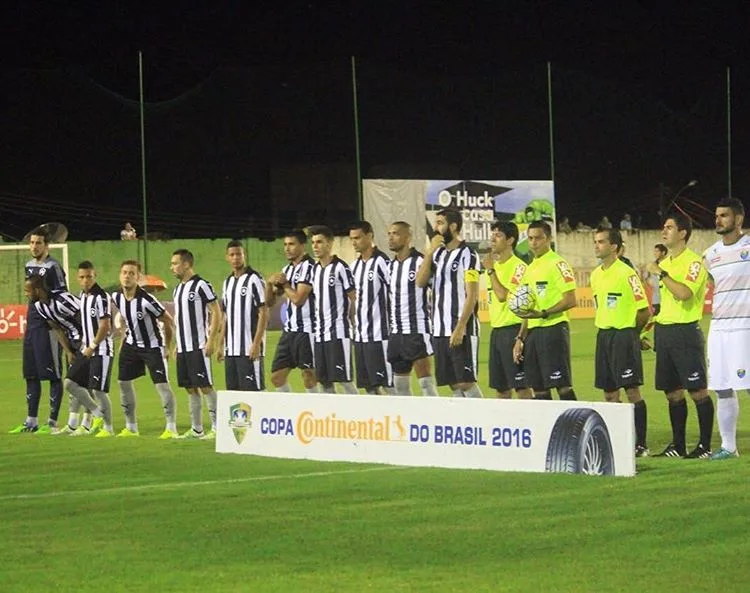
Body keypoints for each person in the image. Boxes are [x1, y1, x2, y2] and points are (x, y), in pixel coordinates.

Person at [647, 213, 713, 458]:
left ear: (683, 233)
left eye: (669, 227)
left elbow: (684, 293)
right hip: (665, 332)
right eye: (663, 227)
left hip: (686, 332)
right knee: (672, 392)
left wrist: (661, 274)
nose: (664, 231)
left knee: (697, 391)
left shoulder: (694, 262)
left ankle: (705, 446)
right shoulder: (665, 263)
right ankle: (678, 445)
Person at [591, 228, 651, 456]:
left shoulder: (627, 274)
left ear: (614, 246)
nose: (596, 246)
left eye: (601, 242)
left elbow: (644, 311)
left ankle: (640, 444)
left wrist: (632, 335)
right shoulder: (596, 275)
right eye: (595, 242)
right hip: (603, 336)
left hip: (624, 336)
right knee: (609, 393)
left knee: (632, 390)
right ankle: (616, 441)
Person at [416, 208, 483, 398]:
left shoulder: (468, 254)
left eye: (440, 223)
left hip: (460, 328)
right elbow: (420, 282)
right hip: (439, 329)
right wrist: (429, 253)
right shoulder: (437, 255)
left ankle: (483, 420)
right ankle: (463, 424)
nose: (436, 228)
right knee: (453, 382)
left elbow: (472, 295)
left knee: (466, 381)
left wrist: (461, 327)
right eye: (436, 223)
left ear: (453, 226)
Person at [703, 198, 750, 460]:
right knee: (721, 386)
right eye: (717, 215)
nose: (718, 220)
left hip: (745, 326)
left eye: (724, 216)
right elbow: (714, 283)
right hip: (719, 329)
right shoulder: (711, 254)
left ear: (739, 219)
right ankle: (729, 447)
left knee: (748, 384)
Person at [9, 228, 68, 434]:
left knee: (53, 374)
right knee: (31, 374)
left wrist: (55, 319)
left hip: (49, 327)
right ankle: (31, 421)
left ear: (46, 246)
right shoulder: (29, 265)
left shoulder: (54, 267)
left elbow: (62, 296)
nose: (34, 246)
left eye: (38, 243)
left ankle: (51, 422)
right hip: (32, 325)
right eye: (32, 243)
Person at [111, 260, 178, 439]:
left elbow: (168, 320)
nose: (127, 276)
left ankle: (171, 428)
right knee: (122, 383)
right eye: (124, 272)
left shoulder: (147, 300)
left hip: (153, 346)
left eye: (132, 273)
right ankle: (131, 427)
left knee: (162, 385)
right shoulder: (117, 297)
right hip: (131, 345)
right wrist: (124, 339)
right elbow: (125, 320)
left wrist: (167, 346)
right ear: (120, 275)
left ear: (138, 277)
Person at [512, 221, 578, 401]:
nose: (533, 242)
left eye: (538, 238)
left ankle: (574, 426)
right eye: (531, 238)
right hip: (533, 333)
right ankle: (546, 428)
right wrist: (520, 338)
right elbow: (527, 310)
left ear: (548, 239)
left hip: (553, 329)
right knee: (539, 388)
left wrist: (544, 313)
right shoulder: (530, 267)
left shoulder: (558, 264)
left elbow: (571, 300)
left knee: (562, 386)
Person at [24, 275, 90, 435]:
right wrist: (67, 351)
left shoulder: (62, 299)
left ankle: (88, 423)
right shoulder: (40, 306)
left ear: (38, 290)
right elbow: (57, 328)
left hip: (86, 340)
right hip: (72, 341)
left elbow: (86, 315)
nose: (26, 294)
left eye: (28, 291)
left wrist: (88, 342)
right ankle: (73, 424)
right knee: (74, 382)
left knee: (85, 382)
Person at [170, 249, 222, 440]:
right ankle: (197, 428)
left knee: (205, 386)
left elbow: (216, 311)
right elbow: (180, 318)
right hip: (183, 347)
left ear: (186, 264)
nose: (172, 267)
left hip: (199, 345)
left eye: (175, 263)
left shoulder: (201, 285)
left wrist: (212, 339)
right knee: (190, 388)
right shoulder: (177, 289)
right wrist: (176, 343)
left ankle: (217, 427)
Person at [63, 261, 115, 437]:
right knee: (70, 383)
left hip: (101, 350)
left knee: (99, 391)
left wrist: (92, 346)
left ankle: (108, 428)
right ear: (78, 278)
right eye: (82, 277)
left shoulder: (101, 297)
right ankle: (96, 413)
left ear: (95, 276)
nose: (86, 280)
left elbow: (105, 326)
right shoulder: (82, 296)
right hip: (86, 349)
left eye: (89, 277)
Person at [386, 222, 439, 396]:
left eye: (395, 234)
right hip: (396, 333)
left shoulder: (420, 261)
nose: (391, 238)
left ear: (407, 238)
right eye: (389, 234)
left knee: (425, 383)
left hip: (416, 330)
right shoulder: (391, 266)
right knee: (399, 385)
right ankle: (407, 421)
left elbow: (435, 289)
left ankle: (434, 419)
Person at [483, 220, 532, 399]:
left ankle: (531, 424)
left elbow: (503, 295)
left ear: (510, 240)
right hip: (496, 332)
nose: (493, 239)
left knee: (521, 387)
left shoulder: (519, 268)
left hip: (513, 330)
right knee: (501, 388)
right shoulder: (494, 267)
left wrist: (490, 271)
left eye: (498, 235)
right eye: (492, 234)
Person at [266, 230, 318, 393]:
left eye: (292, 244)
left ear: (302, 246)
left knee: (309, 374)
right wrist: (268, 284)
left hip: (307, 330)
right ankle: (292, 412)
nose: (287, 248)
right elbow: (270, 302)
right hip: (289, 331)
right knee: (276, 377)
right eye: (285, 245)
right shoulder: (287, 269)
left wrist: (286, 284)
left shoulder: (309, 267)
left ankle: (315, 413)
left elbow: (298, 300)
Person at [308, 225, 358, 394]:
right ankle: (334, 418)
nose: (315, 246)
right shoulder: (315, 270)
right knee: (324, 382)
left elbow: (354, 297)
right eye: (313, 242)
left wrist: (354, 324)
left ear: (329, 244)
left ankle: (360, 416)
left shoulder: (340, 268)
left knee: (344, 381)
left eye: (319, 242)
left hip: (338, 333)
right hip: (320, 335)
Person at [349, 221, 394, 395]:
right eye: (352, 238)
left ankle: (400, 418)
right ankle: (379, 420)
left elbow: (394, 292)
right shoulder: (354, 267)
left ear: (370, 235)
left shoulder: (382, 262)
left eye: (358, 238)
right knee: (369, 386)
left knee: (388, 385)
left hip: (380, 334)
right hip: (361, 336)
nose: (354, 242)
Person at [219, 240, 268, 391]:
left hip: (248, 348)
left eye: (238, 254)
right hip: (231, 350)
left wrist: (256, 344)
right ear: (227, 257)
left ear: (244, 255)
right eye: (232, 255)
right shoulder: (227, 283)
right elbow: (225, 316)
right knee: (234, 394)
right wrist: (221, 344)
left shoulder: (255, 279)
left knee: (254, 393)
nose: (235, 258)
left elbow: (264, 312)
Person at [642, 244, 667, 317]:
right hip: (656, 298)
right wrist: (650, 284)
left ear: (663, 252)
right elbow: (645, 278)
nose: (655, 253)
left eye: (657, 251)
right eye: (654, 251)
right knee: (656, 319)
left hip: (667, 298)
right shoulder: (652, 265)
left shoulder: (669, 264)